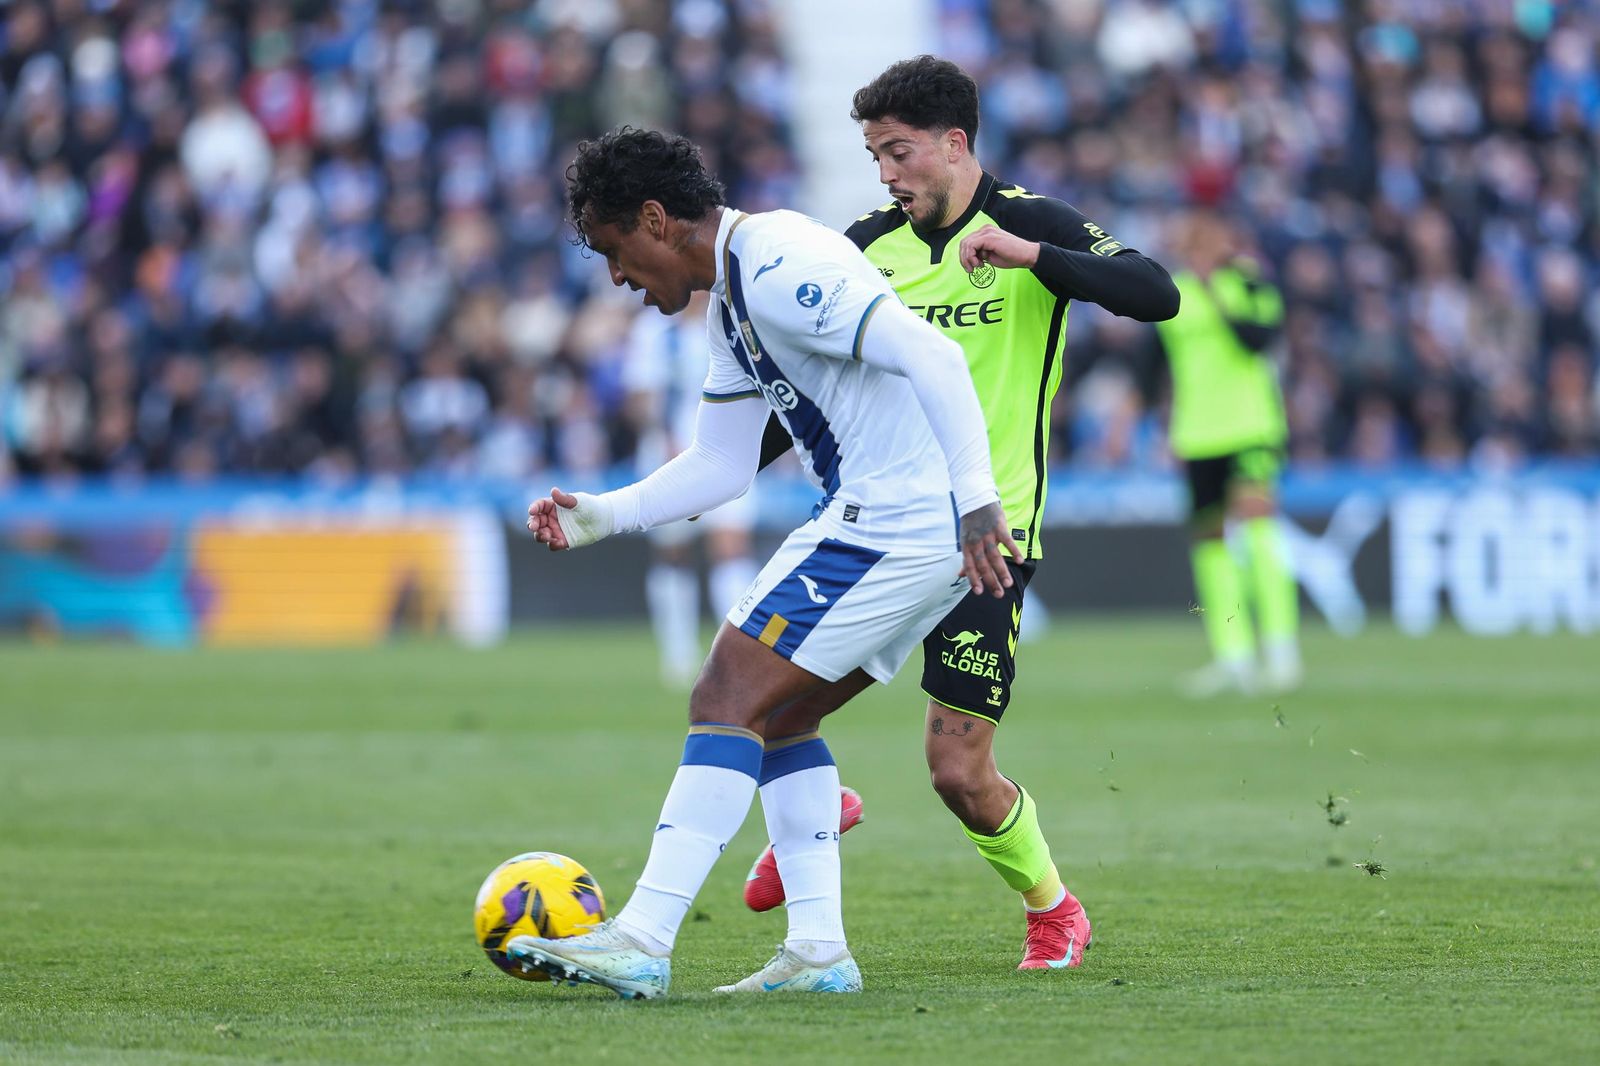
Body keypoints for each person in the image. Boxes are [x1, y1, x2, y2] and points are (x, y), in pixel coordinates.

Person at [514, 126, 1020, 999]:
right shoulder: (732, 298)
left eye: (615, 251)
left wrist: (977, 501)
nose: (618, 278)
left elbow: (934, 354)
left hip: (896, 521)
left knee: (724, 695)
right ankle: (819, 953)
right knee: (779, 718)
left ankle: (642, 937)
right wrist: (601, 516)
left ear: (655, 218)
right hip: (892, 522)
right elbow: (719, 464)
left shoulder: (782, 264)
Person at [740, 55, 1180, 971]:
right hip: (878, 530)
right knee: (768, 710)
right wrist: (709, 473)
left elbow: (1155, 292)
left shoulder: (1029, 224)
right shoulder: (861, 246)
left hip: (990, 542)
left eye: (900, 154)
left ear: (955, 143)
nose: (889, 175)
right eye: (875, 158)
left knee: (958, 774)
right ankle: (815, 813)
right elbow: (807, 390)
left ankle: (1054, 909)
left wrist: (1036, 260)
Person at [1155, 210, 1300, 696]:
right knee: (1211, 546)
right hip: (1197, 435)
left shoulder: (1252, 284)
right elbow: (1156, 365)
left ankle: (1281, 650)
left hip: (1250, 428)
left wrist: (1216, 291)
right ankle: (1233, 654)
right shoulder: (1172, 294)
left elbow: (1261, 341)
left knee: (1258, 531)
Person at [622, 290, 760, 689]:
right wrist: (661, 430)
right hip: (669, 452)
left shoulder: (733, 318)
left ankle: (735, 655)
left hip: (732, 451)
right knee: (672, 551)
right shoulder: (653, 330)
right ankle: (678, 656)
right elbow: (638, 397)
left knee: (731, 545)